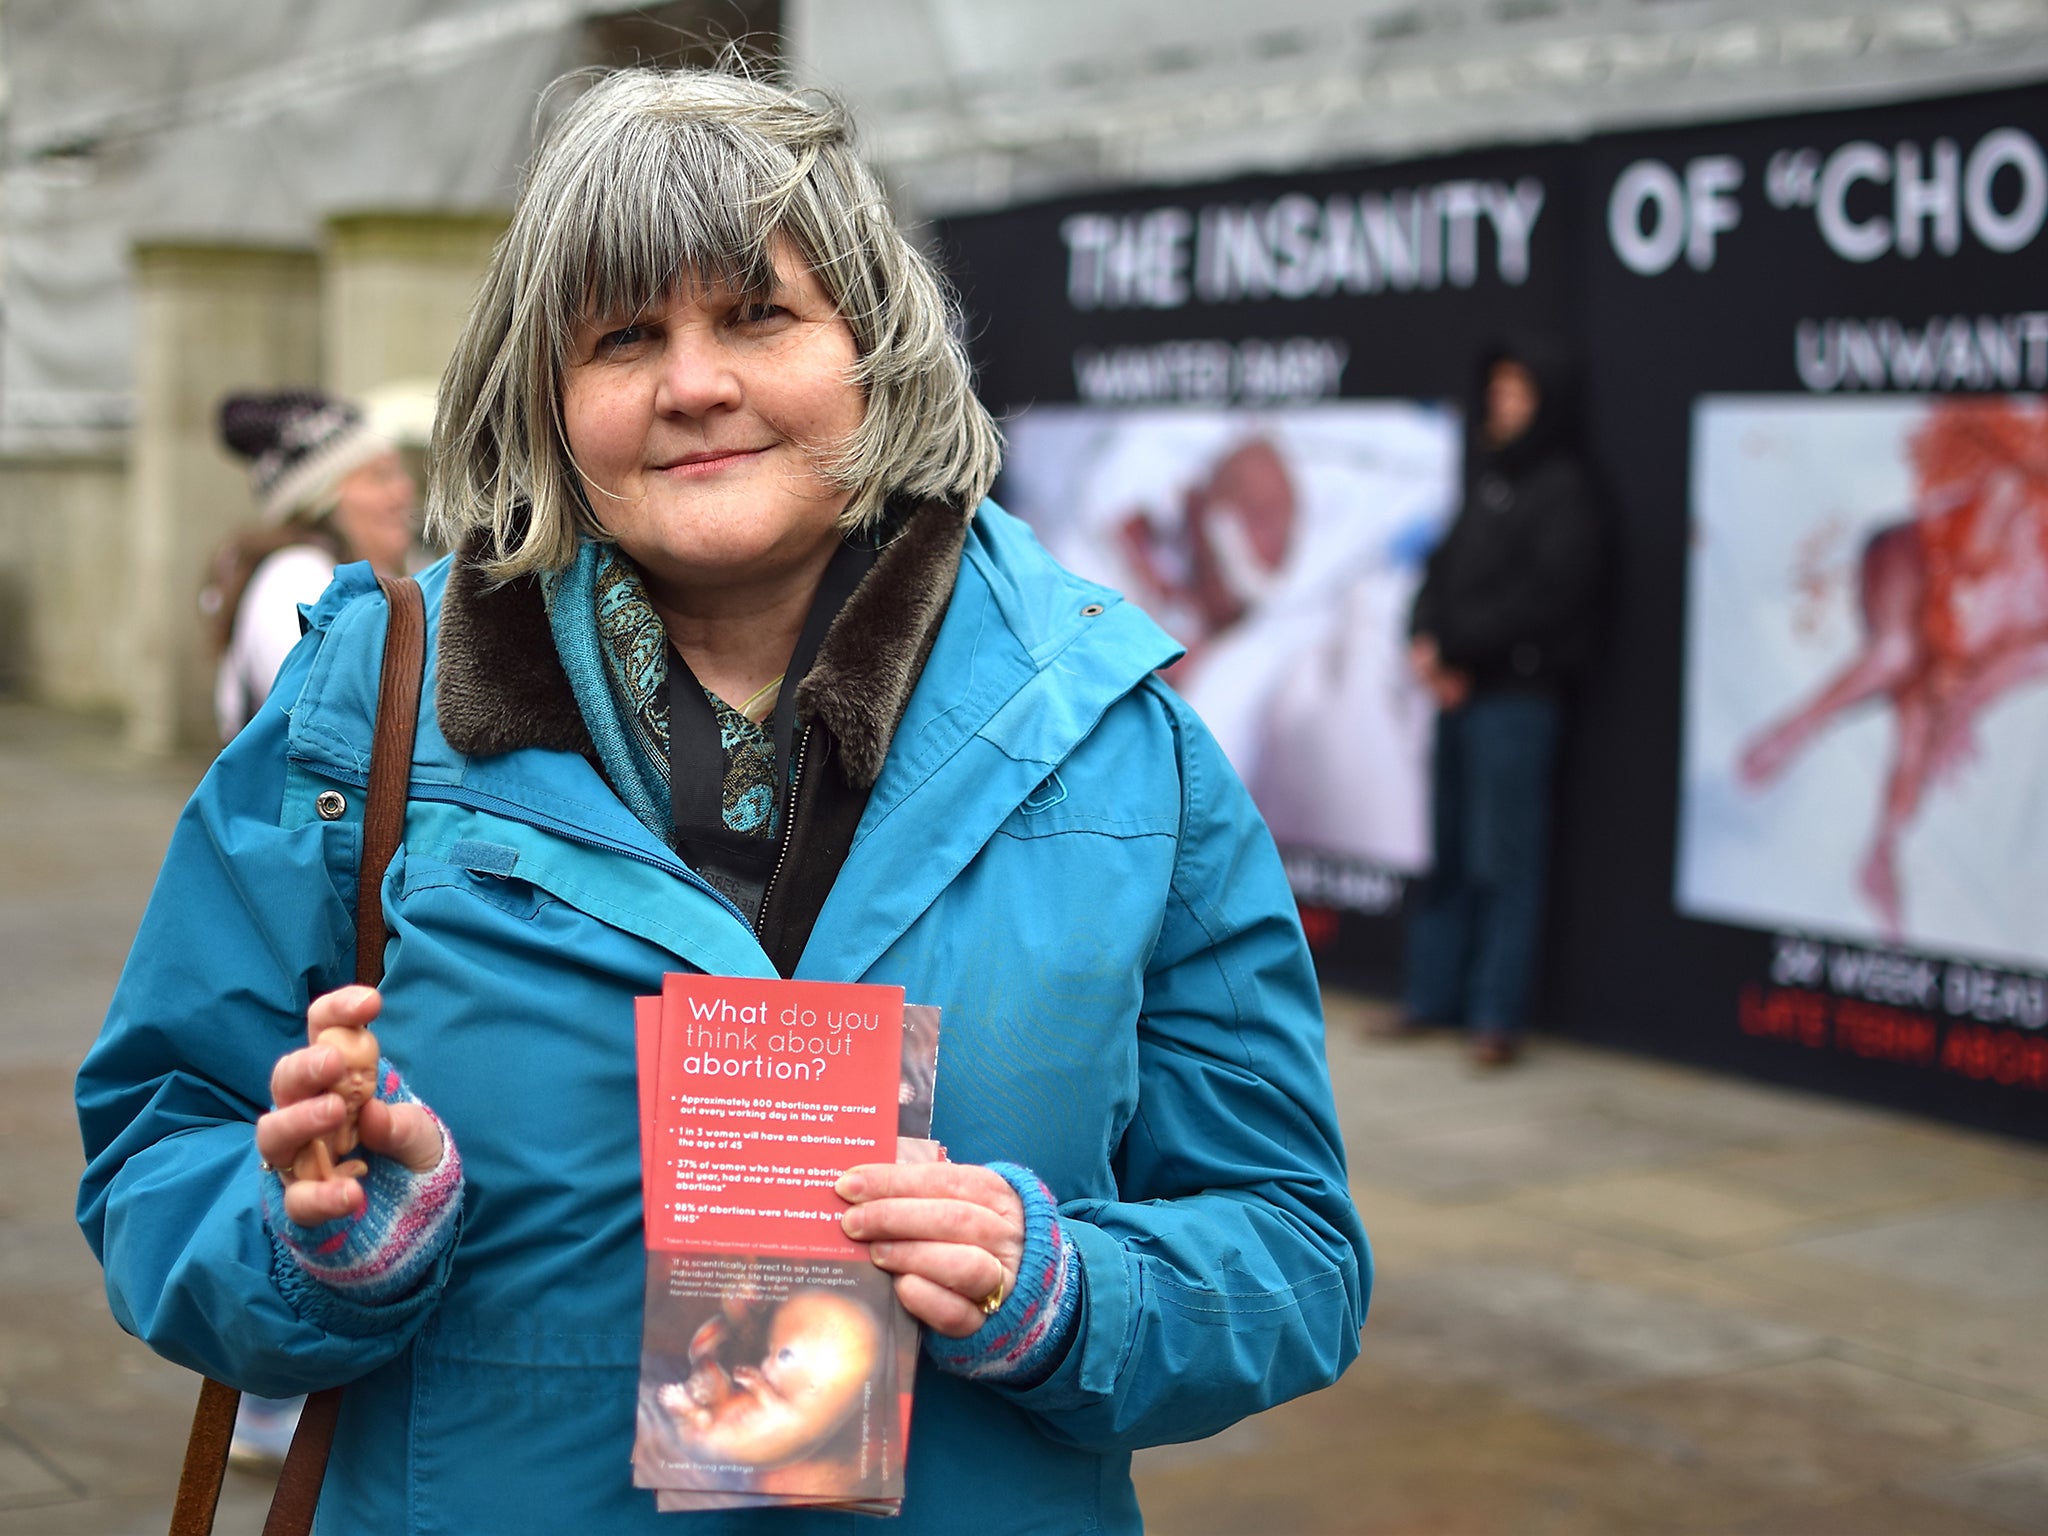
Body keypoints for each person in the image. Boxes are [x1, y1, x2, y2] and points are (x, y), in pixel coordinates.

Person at [76, 66, 1369, 1534]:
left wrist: (1071, 1292)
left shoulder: (1122, 744)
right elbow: (153, 1153)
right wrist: (311, 1238)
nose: (694, 383)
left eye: (758, 314)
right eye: (626, 336)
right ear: (549, 401)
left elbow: (1295, 1253)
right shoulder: (365, 714)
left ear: (876, 349)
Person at [1402, 339, 1603, 1067]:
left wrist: (1459, 651)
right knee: (1449, 855)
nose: (1503, 405)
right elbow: (1440, 571)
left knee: (1504, 861)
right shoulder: (1485, 482)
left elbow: (1551, 600)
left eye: (1519, 392)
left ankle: (1496, 1016)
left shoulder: (1564, 491)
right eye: (1498, 391)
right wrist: (1425, 640)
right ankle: (1432, 998)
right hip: (1458, 699)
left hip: (1514, 703)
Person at [205, 389, 417, 740]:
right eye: (380, 477)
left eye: (400, 474)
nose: (404, 491)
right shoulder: (294, 575)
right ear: (322, 500)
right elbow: (334, 715)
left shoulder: (370, 574)